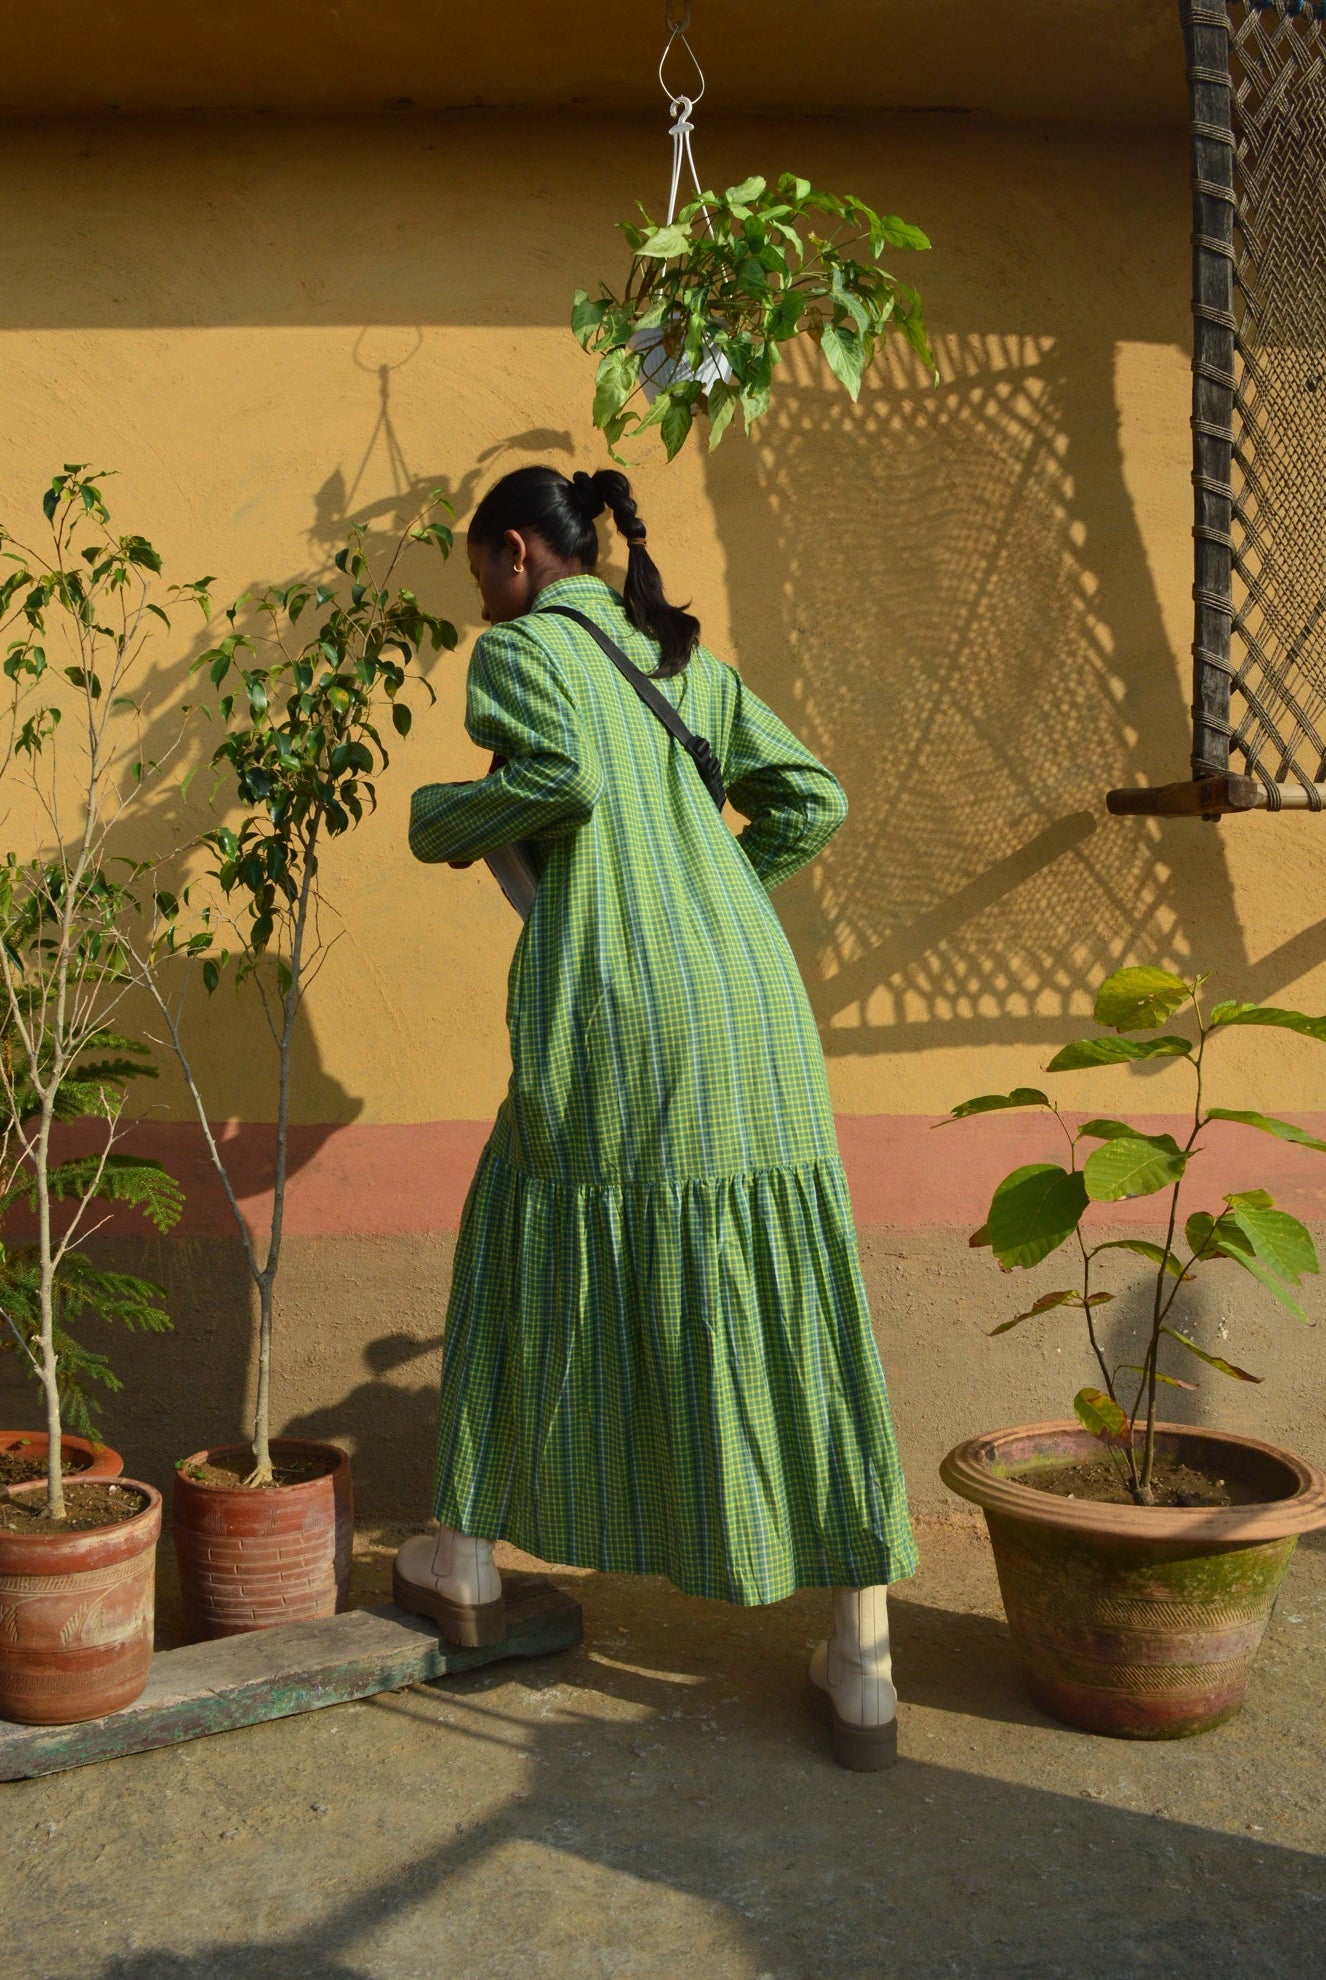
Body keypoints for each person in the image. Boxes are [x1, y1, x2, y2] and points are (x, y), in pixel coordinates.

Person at [393, 464, 915, 1771]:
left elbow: (559, 780)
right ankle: (862, 1662)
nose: (481, 601)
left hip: (620, 1002)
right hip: (752, 1002)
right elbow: (814, 801)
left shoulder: (520, 652)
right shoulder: (686, 659)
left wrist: (438, 819)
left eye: (478, 575)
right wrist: (710, 899)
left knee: (523, 1239)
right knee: (790, 1283)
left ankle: (459, 1559)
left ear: (515, 553)